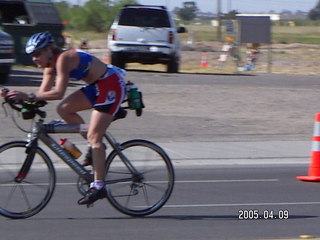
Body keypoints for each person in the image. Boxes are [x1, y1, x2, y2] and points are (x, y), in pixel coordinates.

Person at [1, 31, 127, 205]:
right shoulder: (48, 67)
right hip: (95, 86)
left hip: (110, 85)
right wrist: (14, 97)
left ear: (49, 50)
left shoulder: (63, 59)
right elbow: (42, 95)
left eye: (38, 54)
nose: (35, 58)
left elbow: (58, 93)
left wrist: (27, 96)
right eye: (32, 55)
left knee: (94, 137)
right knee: (64, 110)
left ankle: (99, 186)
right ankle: (93, 147)